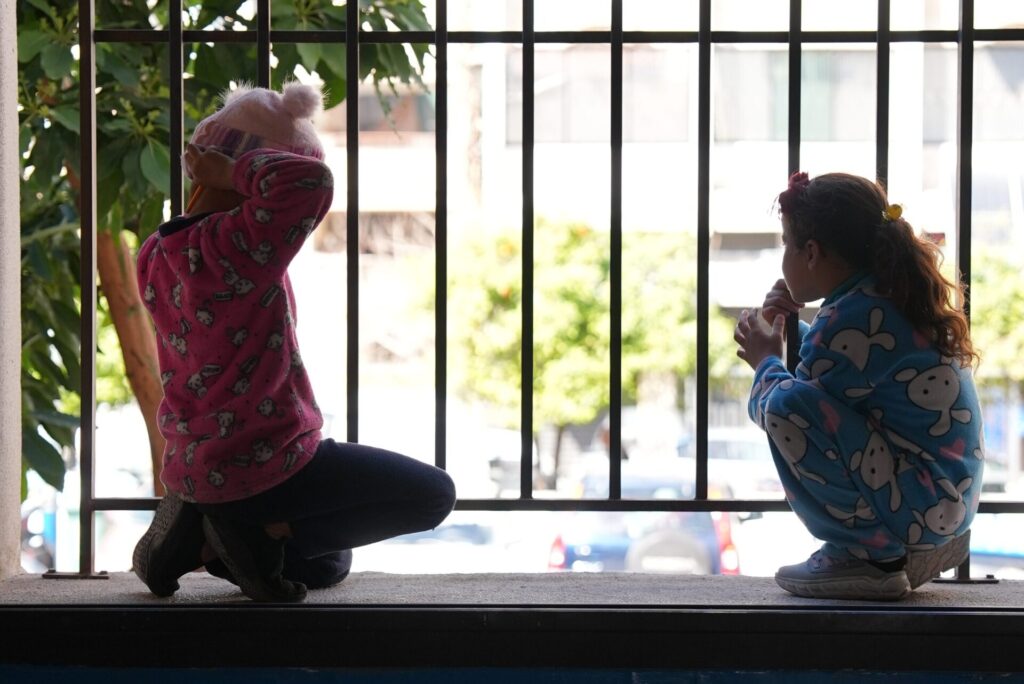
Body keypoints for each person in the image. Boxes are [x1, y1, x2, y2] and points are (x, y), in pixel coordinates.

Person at [132, 82, 456, 602]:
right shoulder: (240, 244)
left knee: (326, 562)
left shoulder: (156, 251)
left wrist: (220, 170)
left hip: (198, 463)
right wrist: (232, 169)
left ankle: (205, 530)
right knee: (431, 496)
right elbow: (311, 182)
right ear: (255, 172)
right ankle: (247, 533)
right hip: (269, 462)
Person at [733, 171, 984, 601]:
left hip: (924, 510)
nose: (783, 259)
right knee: (789, 396)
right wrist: (793, 334)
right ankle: (883, 551)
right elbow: (835, 395)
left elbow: (799, 415)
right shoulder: (879, 301)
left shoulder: (847, 319)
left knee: (781, 404)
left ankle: (872, 559)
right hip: (941, 506)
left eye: (784, 246)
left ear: (811, 252)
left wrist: (765, 362)